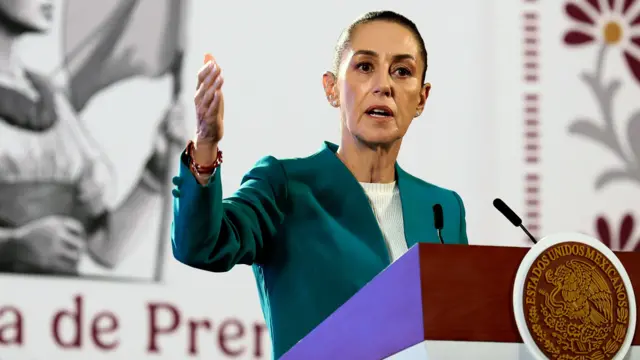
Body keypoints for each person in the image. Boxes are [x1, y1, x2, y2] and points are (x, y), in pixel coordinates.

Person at [172, 10, 469, 359]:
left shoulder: (443, 208)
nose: (384, 85)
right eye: (364, 67)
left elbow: (460, 332)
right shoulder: (285, 186)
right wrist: (206, 145)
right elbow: (201, 245)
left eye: (402, 72)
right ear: (332, 89)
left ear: (421, 98)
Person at [0, 0, 183, 276]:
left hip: (55, 309)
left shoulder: (54, 103)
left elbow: (105, 249)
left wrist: (158, 166)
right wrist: (12, 245)